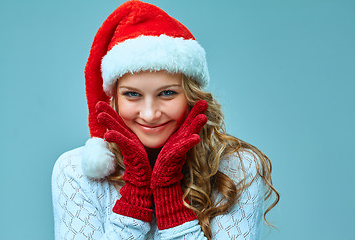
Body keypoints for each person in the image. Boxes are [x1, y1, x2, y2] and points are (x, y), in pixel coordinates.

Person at [51, 1, 279, 239]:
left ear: (192, 96)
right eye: (132, 94)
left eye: (167, 93)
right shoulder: (75, 171)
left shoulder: (238, 168)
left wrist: (170, 197)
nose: (150, 114)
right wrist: (135, 196)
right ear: (114, 100)